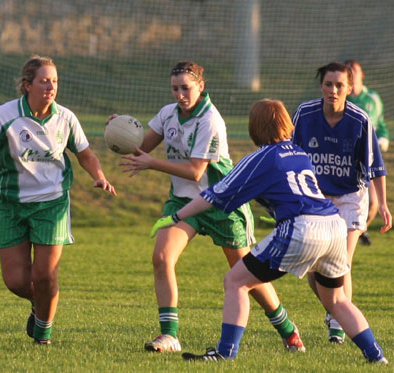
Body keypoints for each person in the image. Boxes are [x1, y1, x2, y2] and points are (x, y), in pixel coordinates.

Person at [150, 99, 388, 364]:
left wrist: (176, 215)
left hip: (302, 227)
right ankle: (377, 358)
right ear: (287, 124)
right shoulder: (299, 153)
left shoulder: (260, 158)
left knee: (235, 281)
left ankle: (225, 353)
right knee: (337, 300)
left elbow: (213, 195)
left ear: (255, 128)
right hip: (334, 226)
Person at [118, 61, 304, 353]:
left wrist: (152, 164)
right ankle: (169, 336)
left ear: (201, 87)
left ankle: (288, 329)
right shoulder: (168, 114)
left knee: (247, 276)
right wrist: (122, 131)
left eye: (186, 88)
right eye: (175, 88)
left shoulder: (210, 120)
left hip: (221, 201)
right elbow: (141, 145)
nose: (180, 94)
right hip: (183, 202)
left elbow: (195, 170)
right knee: (162, 256)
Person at [0, 55, 116, 345]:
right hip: (9, 204)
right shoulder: (6, 115)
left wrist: (99, 175)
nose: (51, 86)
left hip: (52, 203)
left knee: (45, 276)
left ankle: (43, 334)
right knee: (17, 281)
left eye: (55, 81)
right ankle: (41, 303)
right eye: (44, 80)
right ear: (27, 85)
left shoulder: (66, 117)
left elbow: (85, 154)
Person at [292, 62, 392, 344]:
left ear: (350, 89)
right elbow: (289, 153)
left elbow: (376, 167)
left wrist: (382, 204)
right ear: (320, 86)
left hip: (350, 198)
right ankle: (334, 309)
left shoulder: (360, 120)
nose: (333, 90)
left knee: (340, 264)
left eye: (339, 85)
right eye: (328, 84)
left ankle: (338, 325)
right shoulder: (305, 113)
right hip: (316, 199)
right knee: (315, 270)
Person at [345, 59, 390, 246]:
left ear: (361, 74)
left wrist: (383, 138)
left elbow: (380, 124)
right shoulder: (341, 98)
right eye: (348, 71)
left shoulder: (372, 98)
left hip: (368, 159)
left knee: (373, 203)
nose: (351, 73)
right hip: (347, 160)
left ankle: (360, 230)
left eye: (354, 70)